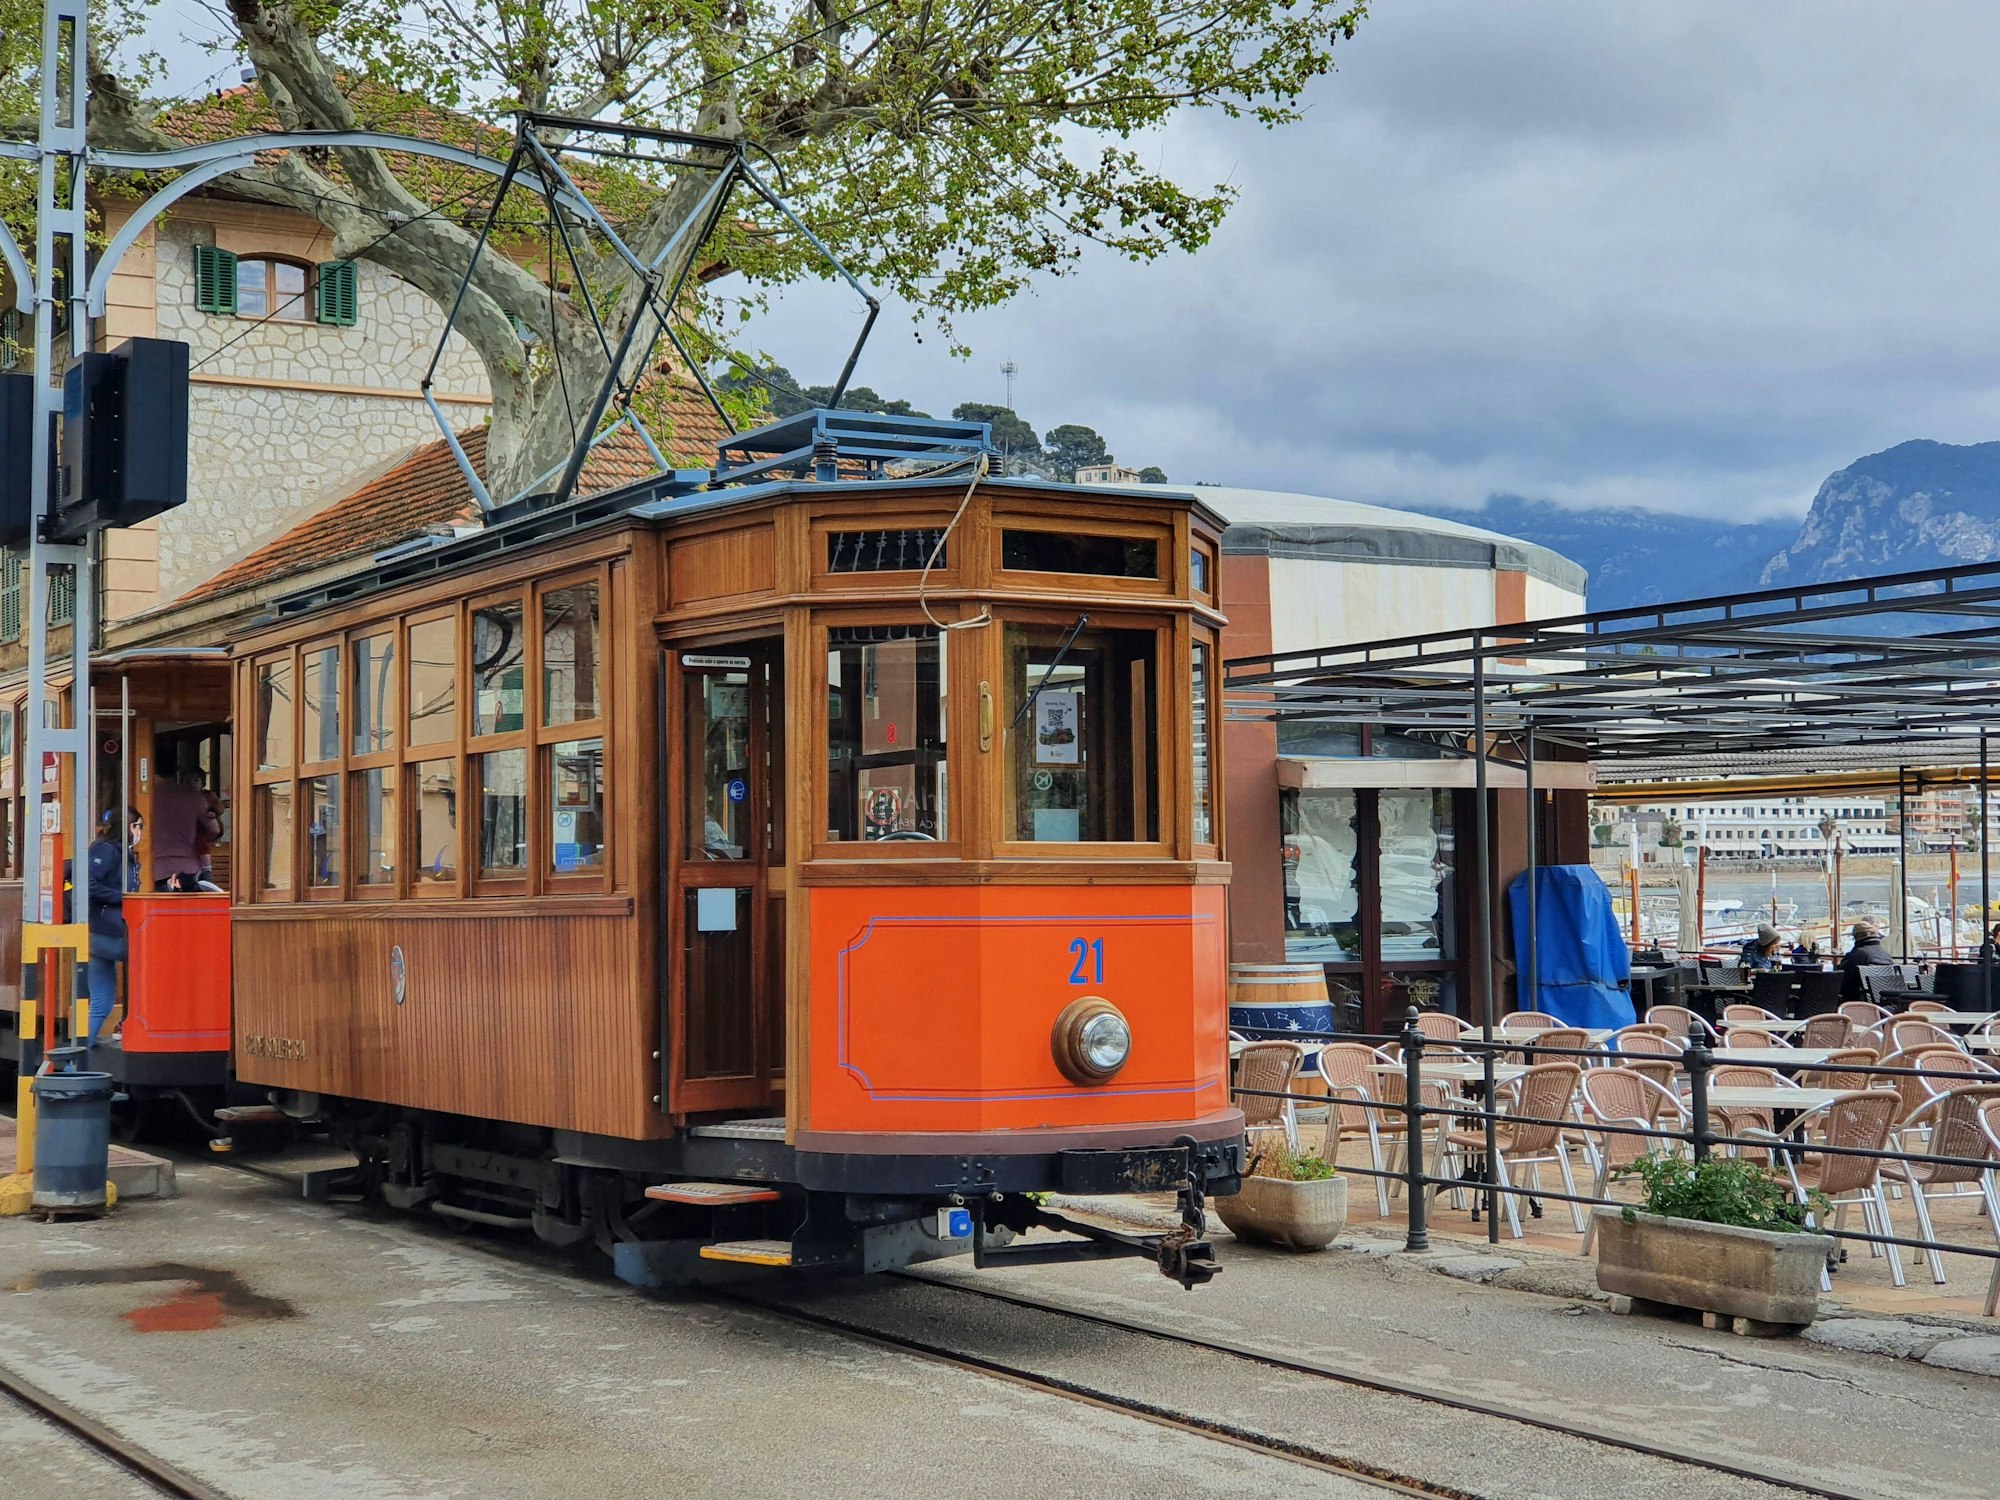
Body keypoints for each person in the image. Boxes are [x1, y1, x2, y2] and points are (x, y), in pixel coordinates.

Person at [85, 807, 141, 1052]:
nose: (140, 832)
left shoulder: (119, 851)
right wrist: (123, 897)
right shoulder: (107, 850)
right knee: (149, 961)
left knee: (100, 1003)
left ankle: (76, 1061)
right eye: (137, 826)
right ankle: (135, 1026)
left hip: (99, 932)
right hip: (111, 932)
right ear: (128, 827)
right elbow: (89, 884)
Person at [150, 744, 222, 891]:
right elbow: (214, 829)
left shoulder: (143, 796)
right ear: (176, 770)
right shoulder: (192, 795)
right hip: (188, 869)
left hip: (152, 868)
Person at [1839, 919, 1895, 1002]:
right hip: (1885, 999)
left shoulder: (1858, 954)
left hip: (1858, 1000)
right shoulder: (1885, 954)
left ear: (1856, 936)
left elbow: (1842, 975)